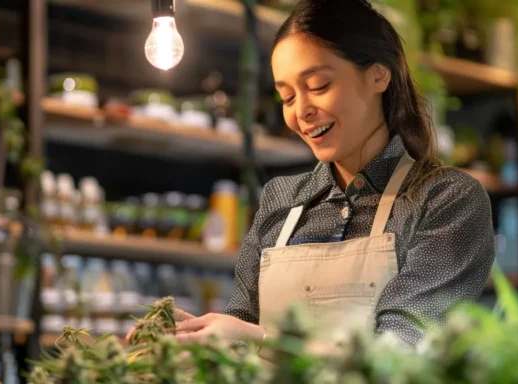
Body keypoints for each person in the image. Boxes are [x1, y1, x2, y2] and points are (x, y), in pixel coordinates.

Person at [166, 0, 496, 347]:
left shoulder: (446, 200)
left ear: (379, 75)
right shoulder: (281, 199)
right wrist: (193, 338)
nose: (302, 111)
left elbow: (398, 354)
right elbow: (239, 332)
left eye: (319, 86)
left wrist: (262, 339)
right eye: (288, 96)